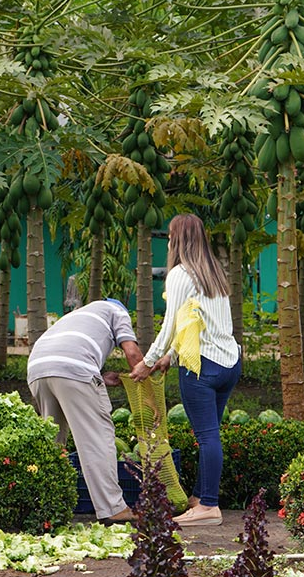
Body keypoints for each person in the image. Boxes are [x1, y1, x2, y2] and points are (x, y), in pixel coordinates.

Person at [130, 214, 241, 527]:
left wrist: (148, 361)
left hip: (202, 368)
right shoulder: (214, 272)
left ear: (176, 240)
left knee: (207, 437)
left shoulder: (180, 274)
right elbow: (198, 321)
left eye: (169, 236)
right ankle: (200, 496)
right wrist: (172, 356)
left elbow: (171, 325)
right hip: (229, 363)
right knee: (211, 435)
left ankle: (208, 507)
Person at [27, 298, 143, 524]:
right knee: (96, 438)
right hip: (73, 367)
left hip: (37, 369)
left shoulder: (76, 315)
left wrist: (98, 375)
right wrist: (147, 387)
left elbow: (70, 349)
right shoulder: (117, 311)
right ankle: (113, 509)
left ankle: (46, 506)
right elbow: (132, 353)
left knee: (52, 442)